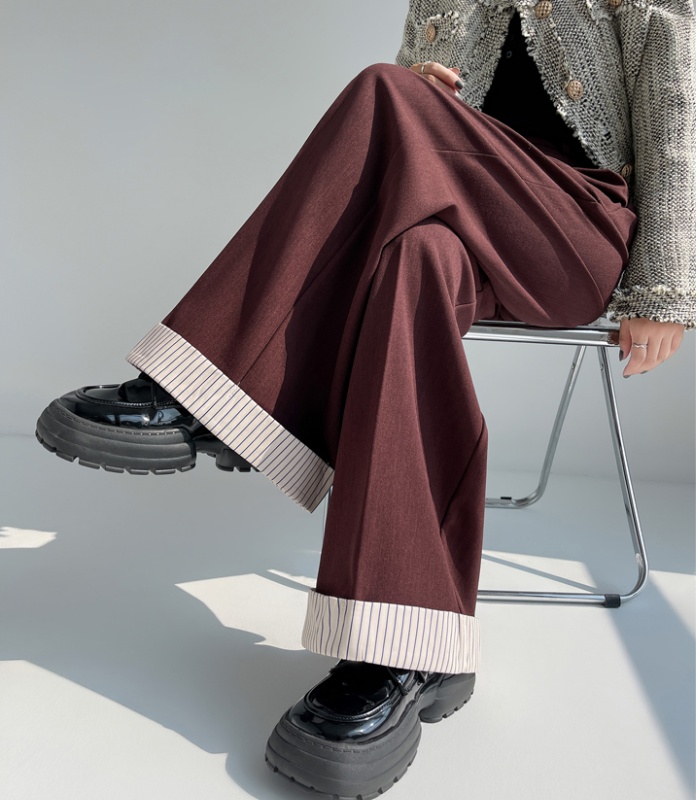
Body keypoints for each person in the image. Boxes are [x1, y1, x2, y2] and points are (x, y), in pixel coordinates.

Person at [35, 1, 694, 797]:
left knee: (383, 92)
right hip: (459, 211)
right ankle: (407, 642)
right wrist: (428, 88)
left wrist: (667, 285)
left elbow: (675, 106)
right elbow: (421, 104)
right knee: (414, 257)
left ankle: (223, 388)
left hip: (575, 229)